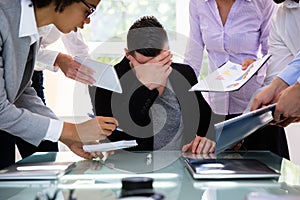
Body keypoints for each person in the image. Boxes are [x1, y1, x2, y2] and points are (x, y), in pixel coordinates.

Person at [0, 0, 119, 169]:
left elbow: (20, 93)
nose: (88, 21)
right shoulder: (4, 17)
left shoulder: (32, 29)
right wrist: (70, 131)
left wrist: (69, 137)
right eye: (88, 11)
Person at [91, 16, 215, 153]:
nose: (155, 70)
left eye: (161, 61)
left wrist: (206, 140)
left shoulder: (184, 74)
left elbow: (207, 123)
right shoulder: (106, 83)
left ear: (168, 50)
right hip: (131, 170)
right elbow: (116, 139)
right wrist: (146, 87)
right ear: (128, 54)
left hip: (180, 167)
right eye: (146, 65)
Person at [184, 0, 289, 159]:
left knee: (267, 177)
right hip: (216, 113)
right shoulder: (199, 4)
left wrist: (256, 66)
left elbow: (276, 56)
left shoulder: (262, 3)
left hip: (256, 112)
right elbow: (192, 60)